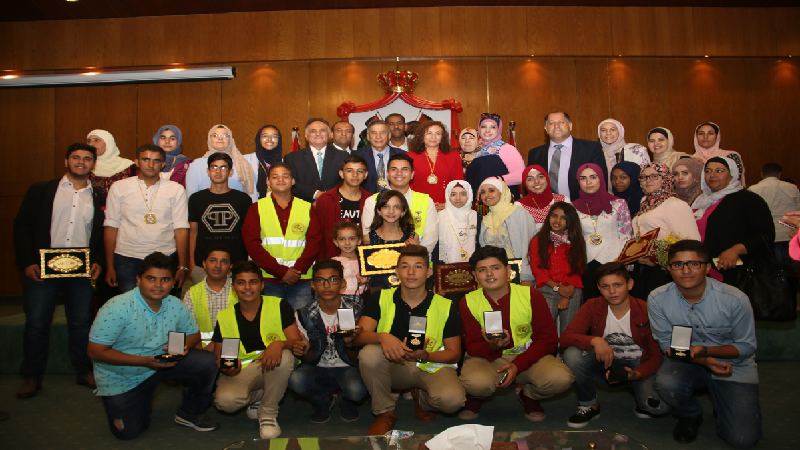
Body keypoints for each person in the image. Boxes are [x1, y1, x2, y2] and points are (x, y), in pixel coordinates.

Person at [87, 252, 220, 440]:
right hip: (125, 377)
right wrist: (143, 362)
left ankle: (189, 412)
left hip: (164, 362)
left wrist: (185, 347)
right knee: (127, 432)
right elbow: (95, 352)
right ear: (138, 280)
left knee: (208, 362)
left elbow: (193, 335)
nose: (158, 285)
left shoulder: (176, 304)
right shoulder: (116, 307)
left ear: (173, 282)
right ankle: (142, 399)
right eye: (151, 279)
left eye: (165, 279)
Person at [13, 143, 105, 398]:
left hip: (81, 272)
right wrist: (27, 262)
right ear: (66, 161)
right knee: (37, 324)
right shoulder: (42, 190)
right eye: (76, 157)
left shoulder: (99, 195)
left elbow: (101, 234)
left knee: (81, 323)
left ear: (93, 164)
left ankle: (84, 371)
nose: (81, 162)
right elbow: (22, 227)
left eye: (87, 159)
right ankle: (31, 376)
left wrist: (98, 261)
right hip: (42, 270)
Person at [649, 240, 761, 448]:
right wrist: (703, 360)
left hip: (733, 364)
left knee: (742, 440)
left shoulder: (735, 299)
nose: (686, 271)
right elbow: (666, 343)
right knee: (666, 382)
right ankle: (690, 414)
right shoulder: (657, 298)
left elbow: (746, 347)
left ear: (708, 267)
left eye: (694, 263)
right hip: (686, 360)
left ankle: (724, 400)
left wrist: (707, 352)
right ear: (669, 269)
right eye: (678, 264)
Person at [354, 245, 465, 435]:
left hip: (430, 365)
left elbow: (454, 354)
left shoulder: (446, 305)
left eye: (418, 266)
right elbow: (359, 338)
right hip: (395, 366)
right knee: (369, 354)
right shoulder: (380, 297)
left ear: (429, 272)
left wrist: (426, 355)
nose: (411, 272)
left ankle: (422, 399)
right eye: (405, 266)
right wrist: (383, 336)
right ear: (397, 272)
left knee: (453, 400)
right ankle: (385, 412)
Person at [459, 246, 574, 421]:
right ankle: (477, 396)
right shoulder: (468, 302)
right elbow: (472, 347)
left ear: (508, 271)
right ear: (475, 276)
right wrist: (492, 346)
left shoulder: (531, 295)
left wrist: (517, 365)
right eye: (482, 270)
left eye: (495, 268)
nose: (489, 274)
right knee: (475, 383)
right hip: (488, 359)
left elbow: (548, 340)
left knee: (560, 378)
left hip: (528, 356)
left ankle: (529, 395)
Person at [561, 262, 668, 428]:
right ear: (599, 288)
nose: (612, 291)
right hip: (606, 366)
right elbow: (566, 338)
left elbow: (657, 355)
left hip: (639, 367)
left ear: (630, 284)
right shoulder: (592, 306)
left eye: (618, 285)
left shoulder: (646, 309)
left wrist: (638, 374)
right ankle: (588, 404)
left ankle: (640, 393)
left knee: (657, 407)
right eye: (605, 286)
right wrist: (595, 340)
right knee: (572, 354)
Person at [211, 260, 300, 439]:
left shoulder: (279, 305)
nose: (247, 287)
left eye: (253, 282)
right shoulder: (225, 316)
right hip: (243, 369)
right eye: (241, 282)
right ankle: (260, 396)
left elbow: (296, 342)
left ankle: (268, 413)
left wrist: (279, 344)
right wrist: (226, 368)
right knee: (226, 402)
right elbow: (218, 356)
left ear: (261, 285)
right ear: (233, 288)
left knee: (284, 357)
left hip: (274, 364)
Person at [104, 143, 189, 295]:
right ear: (136, 162)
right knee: (130, 305)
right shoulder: (119, 187)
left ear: (163, 164)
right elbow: (111, 227)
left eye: (156, 161)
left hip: (165, 256)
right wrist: (110, 266)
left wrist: (182, 266)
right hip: (127, 257)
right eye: (145, 159)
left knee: (164, 305)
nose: (151, 165)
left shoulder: (176, 189)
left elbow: (181, 229)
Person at [290, 259, 368, 423]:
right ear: (313, 285)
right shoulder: (304, 314)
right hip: (318, 368)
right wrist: (304, 350)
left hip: (348, 368)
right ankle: (323, 400)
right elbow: (309, 359)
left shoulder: (357, 311)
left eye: (333, 279)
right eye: (320, 280)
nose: (326, 285)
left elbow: (358, 360)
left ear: (343, 284)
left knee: (356, 389)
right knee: (296, 379)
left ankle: (345, 401)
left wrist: (349, 343)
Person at [242, 162, 321, 310]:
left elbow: (314, 242)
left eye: (285, 176)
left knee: (300, 322)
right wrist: (281, 271)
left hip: (301, 280)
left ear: (293, 181)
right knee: (272, 321)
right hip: (268, 279)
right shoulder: (256, 208)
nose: (280, 180)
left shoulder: (307, 207)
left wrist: (296, 271)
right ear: (268, 181)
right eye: (275, 176)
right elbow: (252, 244)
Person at [692, 156, 774, 285]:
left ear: (732, 174)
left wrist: (736, 250)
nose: (712, 175)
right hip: (704, 270)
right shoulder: (700, 201)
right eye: (708, 171)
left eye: (719, 171)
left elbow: (766, 235)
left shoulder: (748, 199)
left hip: (736, 272)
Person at [630, 163, 700, 300]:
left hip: (667, 271)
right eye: (643, 177)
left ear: (666, 179)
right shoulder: (645, 202)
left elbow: (691, 244)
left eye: (654, 176)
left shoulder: (675, 204)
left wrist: (657, 260)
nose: (648, 180)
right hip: (644, 268)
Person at [187, 152, 253, 285]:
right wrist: (192, 264)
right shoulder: (196, 199)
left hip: (236, 264)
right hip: (203, 265)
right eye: (214, 167)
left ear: (230, 172)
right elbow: (193, 232)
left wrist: (246, 262)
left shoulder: (243, 199)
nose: (218, 171)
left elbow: (248, 232)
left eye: (223, 167)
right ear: (208, 171)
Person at [574, 163, 633, 302]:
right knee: (592, 304)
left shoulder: (618, 204)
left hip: (615, 260)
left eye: (593, 177)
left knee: (617, 301)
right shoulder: (573, 207)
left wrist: (623, 261)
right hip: (588, 262)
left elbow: (626, 235)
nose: (588, 182)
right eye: (583, 178)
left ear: (601, 178)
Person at [361, 153, 439, 254]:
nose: (399, 173)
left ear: (412, 174)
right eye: (394, 169)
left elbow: (431, 237)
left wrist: (417, 256)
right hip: (380, 259)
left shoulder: (426, 201)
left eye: (404, 169)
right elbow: (369, 235)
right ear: (387, 174)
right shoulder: (372, 201)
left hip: (418, 258)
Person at [529, 202, 586, 334]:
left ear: (570, 221)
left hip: (571, 290)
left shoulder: (575, 241)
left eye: (563, 218)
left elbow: (578, 269)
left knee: (569, 332)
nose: (557, 220)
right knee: (544, 331)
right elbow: (536, 269)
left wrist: (567, 295)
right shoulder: (538, 240)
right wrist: (558, 288)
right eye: (554, 216)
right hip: (547, 290)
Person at [528, 112, 607, 201]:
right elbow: (530, 184)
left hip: (583, 205)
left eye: (561, 122)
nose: (556, 126)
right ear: (546, 128)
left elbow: (602, 181)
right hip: (546, 206)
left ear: (570, 125)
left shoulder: (591, 148)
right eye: (551, 123)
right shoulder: (535, 154)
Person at [478, 178, 536, 285]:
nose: (487, 195)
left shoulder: (518, 213)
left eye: (491, 190)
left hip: (519, 274)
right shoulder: (484, 220)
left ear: (502, 191)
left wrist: (526, 276)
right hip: (493, 275)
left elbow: (529, 246)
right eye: (483, 192)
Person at [315, 154, 372, 260]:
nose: (355, 175)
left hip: (363, 260)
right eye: (349, 171)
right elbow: (318, 234)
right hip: (332, 259)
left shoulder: (371, 200)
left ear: (365, 175)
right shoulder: (326, 199)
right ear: (341, 173)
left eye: (360, 171)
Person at [182, 244, 237, 350]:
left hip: (236, 350)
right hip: (202, 351)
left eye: (224, 261)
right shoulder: (192, 294)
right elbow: (188, 330)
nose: (218, 266)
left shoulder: (241, 290)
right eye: (213, 260)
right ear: (204, 264)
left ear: (230, 266)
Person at [185, 125, 259, 202]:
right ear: (209, 139)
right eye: (215, 135)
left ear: (231, 140)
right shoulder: (196, 165)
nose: (220, 138)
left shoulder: (243, 164)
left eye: (225, 136)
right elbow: (191, 197)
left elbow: (252, 195)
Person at [748, 162, 800, 272]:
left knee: (772, 273)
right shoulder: (792, 187)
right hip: (790, 233)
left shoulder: (754, 189)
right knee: (792, 271)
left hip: (768, 235)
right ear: (779, 174)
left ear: (762, 174)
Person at [363, 190, 419, 291]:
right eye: (386, 206)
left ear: (403, 212)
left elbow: (417, 268)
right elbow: (368, 274)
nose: (391, 211)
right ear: (378, 211)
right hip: (378, 293)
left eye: (396, 207)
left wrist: (416, 252)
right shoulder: (369, 238)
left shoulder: (412, 237)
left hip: (406, 292)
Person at [284, 118, 349, 203]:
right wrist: (316, 194)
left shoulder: (343, 156)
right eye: (313, 131)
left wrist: (326, 194)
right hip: (304, 205)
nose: (318, 134)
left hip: (335, 202)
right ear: (306, 136)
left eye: (322, 130)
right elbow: (292, 182)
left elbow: (346, 179)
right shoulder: (292, 158)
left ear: (330, 134)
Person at [408, 120, 464, 209]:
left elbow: (459, 183)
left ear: (442, 137)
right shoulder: (410, 157)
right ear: (422, 136)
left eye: (437, 133)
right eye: (429, 133)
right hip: (419, 206)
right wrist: (422, 204)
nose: (433, 136)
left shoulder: (453, 156)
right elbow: (408, 185)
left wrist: (449, 204)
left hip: (446, 206)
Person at [476, 113, 526, 194]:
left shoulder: (506, 148)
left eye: (493, 127)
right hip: (482, 199)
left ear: (499, 129)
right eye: (483, 126)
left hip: (502, 199)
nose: (487, 130)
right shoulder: (479, 153)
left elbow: (521, 176)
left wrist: (493, 180)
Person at [352, 120, 405, 194]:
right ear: (368, 137)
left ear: (389, 135)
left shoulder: (402, 155)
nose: (378, 136)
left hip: (396, 197)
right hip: (367, 198)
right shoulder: (357, 155)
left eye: (382, 132)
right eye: (374, 133)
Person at [516, 164, 571, 235]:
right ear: (525, 183)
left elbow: (573, 227)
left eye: (540, 177)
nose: (536, 181)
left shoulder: (563, 200)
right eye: (530, 179)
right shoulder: (519, 207)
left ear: (547, 179)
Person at [597, 119, 650, 189]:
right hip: (606, 194)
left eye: (613, 129)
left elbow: (647, 175)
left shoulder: (637, 150)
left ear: (620, 131)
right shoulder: (596, 153)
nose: (608, 133)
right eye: (603, 130)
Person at [437, 181, 478, 264]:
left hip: (473, 264)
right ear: (447, 196)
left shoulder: (476, 216)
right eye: (453, 194)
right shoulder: (439, 216)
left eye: (463, 194)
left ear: (469, 195)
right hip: (445, 264)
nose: (458, 198)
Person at [86, 129, 136, 195]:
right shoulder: (85, 166)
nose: (91, 144)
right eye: (89, 141)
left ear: (108, 143)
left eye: (97, 140)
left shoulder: (128, 166)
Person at [330, 222, 369, 297]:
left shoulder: (364, 262)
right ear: (336, 242)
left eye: (352, 239)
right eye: (342, 239)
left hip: (362, 298)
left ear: (359, 241)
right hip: (340, 300)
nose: (347, 243)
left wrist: (364, 282)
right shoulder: (333, 263)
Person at [254, 125, 284, 199]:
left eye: (274, 136)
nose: (269, 139)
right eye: (265, 136)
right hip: (252, 203)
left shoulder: (285, 162)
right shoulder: (246, 161)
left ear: (279, 140)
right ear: (259, 139)